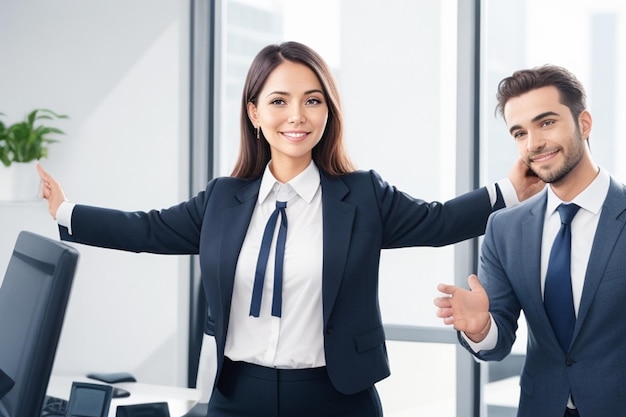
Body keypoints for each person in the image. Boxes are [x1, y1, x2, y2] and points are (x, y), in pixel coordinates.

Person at [38, 41, 542, 417]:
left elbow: (438, 220)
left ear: (328, 110)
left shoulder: (361, 195)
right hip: (237, 396)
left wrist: (508, 190)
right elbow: (145, 230)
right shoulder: (222, 199)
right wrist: (67, 212)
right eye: (279, 101)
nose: (296, 116)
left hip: (336, 396)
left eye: (312, 100)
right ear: (255, 113)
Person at [434, 64, 626, 417]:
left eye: (547, 123)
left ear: (584, 123)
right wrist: (482, 328)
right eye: (520, 133)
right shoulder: (505, 228)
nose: (534, 143)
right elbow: (498, 339)